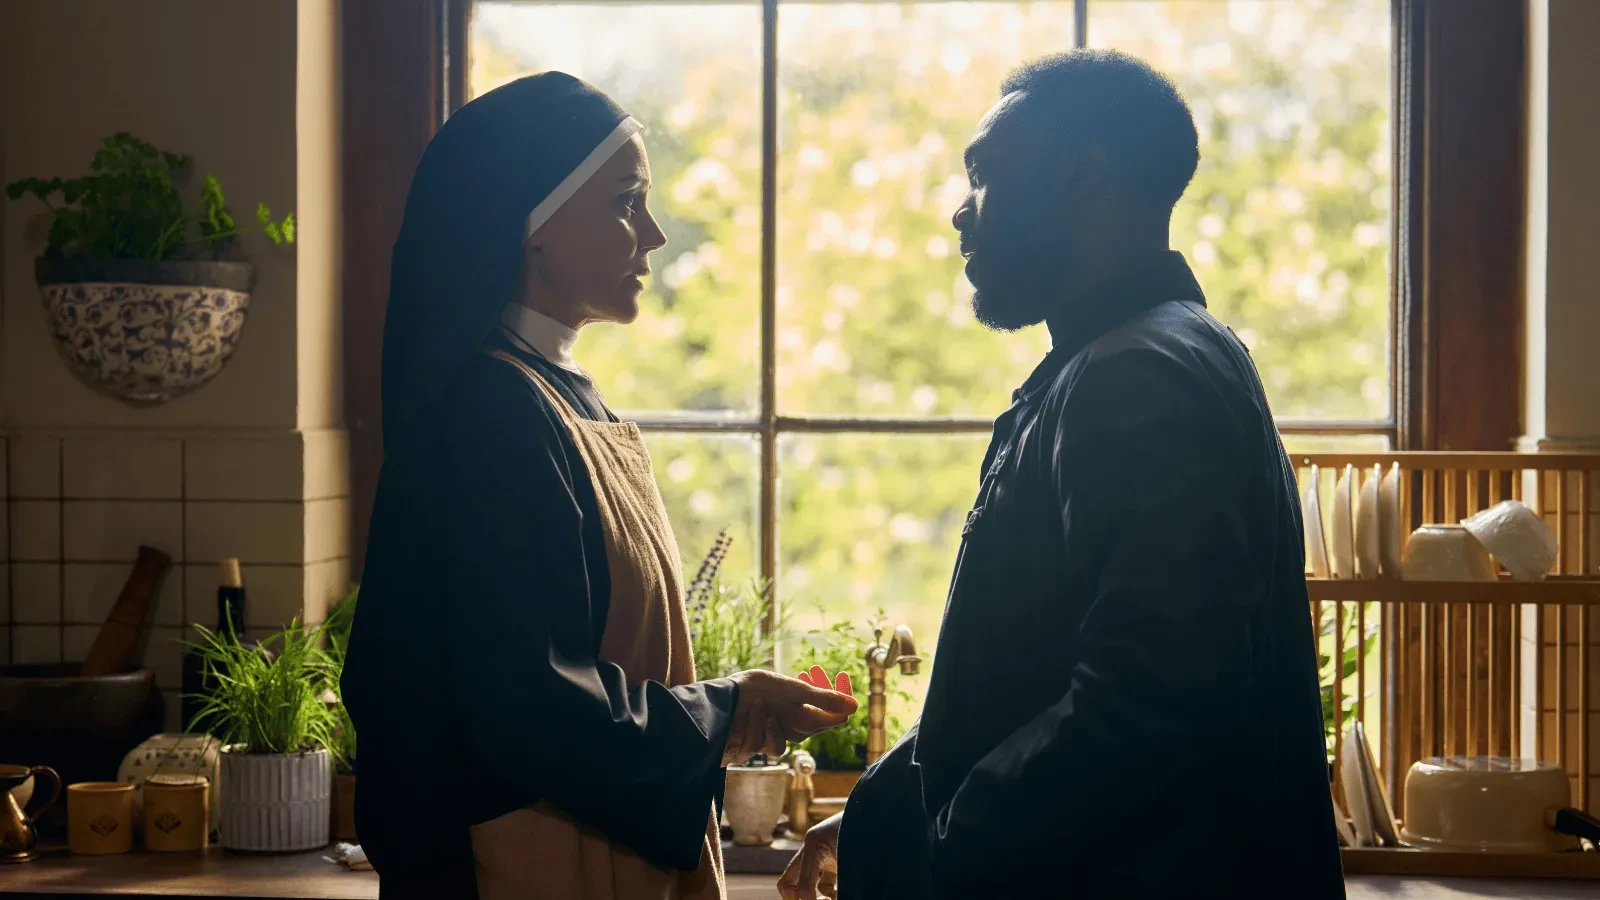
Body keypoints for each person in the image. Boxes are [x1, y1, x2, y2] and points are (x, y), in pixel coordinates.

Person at [779, 50, 1344, 900]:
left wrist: (934, 850)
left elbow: (1149, 701)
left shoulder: (1135, 375)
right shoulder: (1154, 350)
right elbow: (1030, 679)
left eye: (984, 173)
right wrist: (882, 813)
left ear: (1081, 174)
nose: (960, 213)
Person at [340, 72, 857, 900]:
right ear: (532, 227)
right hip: (528, 865)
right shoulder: (491, 412)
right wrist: (720, 708)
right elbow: (529, 705)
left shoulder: (550, 390)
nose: (652, 234)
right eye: (625, 202)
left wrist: (717, 712)